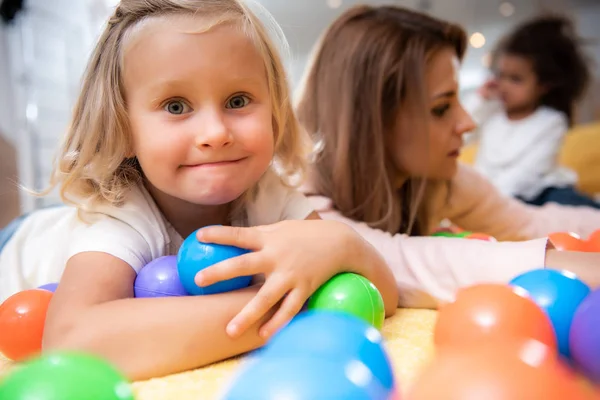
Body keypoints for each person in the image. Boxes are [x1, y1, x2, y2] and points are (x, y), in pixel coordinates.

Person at [0, 0, 398, 379]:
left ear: (275, 112)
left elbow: (382, 296)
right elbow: (71, 340)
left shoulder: (270, 197)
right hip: (16, 243)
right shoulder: (123, 213)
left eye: (238, 100)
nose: (215, 133)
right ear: (121, 129)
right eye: (176, 106)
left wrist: (344, 243)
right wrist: (278, 309)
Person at [296, 5, 600, 309]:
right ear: (371, 121)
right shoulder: (298, 198)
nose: (468, 122)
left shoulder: (438, 180)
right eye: (441, 108)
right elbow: (397, 261)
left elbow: (523, 221)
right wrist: (563, 264)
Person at [464, 14, 598, 208]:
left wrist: (489, 202)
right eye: (501, 76)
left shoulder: (551, 122)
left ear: (544, 85)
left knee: (564, 204)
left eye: (516, 79)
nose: (504, 85)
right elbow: (460, 131)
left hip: (539, 191)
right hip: (495, 193)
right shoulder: (491, 112)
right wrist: (480, 99)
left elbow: (528, 175)